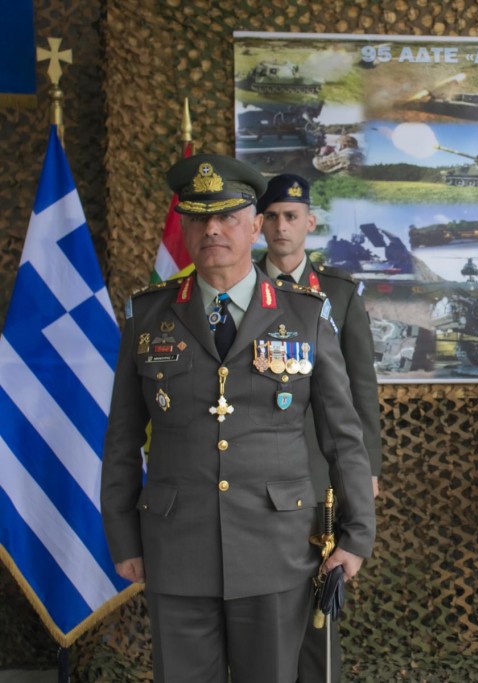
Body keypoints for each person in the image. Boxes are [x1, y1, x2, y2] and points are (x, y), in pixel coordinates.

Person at [101, 154, 375, 683]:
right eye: (199, 218)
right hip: (176, 547)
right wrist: (123, 536)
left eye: (227, 217)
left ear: (255, 226)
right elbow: (122, 437)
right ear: (184, 229)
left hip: (276, 548)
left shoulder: (307, 313)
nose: (212, 230)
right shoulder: (147, 315)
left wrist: (357, 534)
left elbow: (343, 436)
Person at [255, 173, 382, 683]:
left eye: (291, 216)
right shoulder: (242, 288)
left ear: (310, 222)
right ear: (258, 223)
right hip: (257, 464)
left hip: (322, 466)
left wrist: (367, 470)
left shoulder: (338, 293)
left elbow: (361, 387)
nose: (281, 227)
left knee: (318, 596)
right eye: (271, 216)